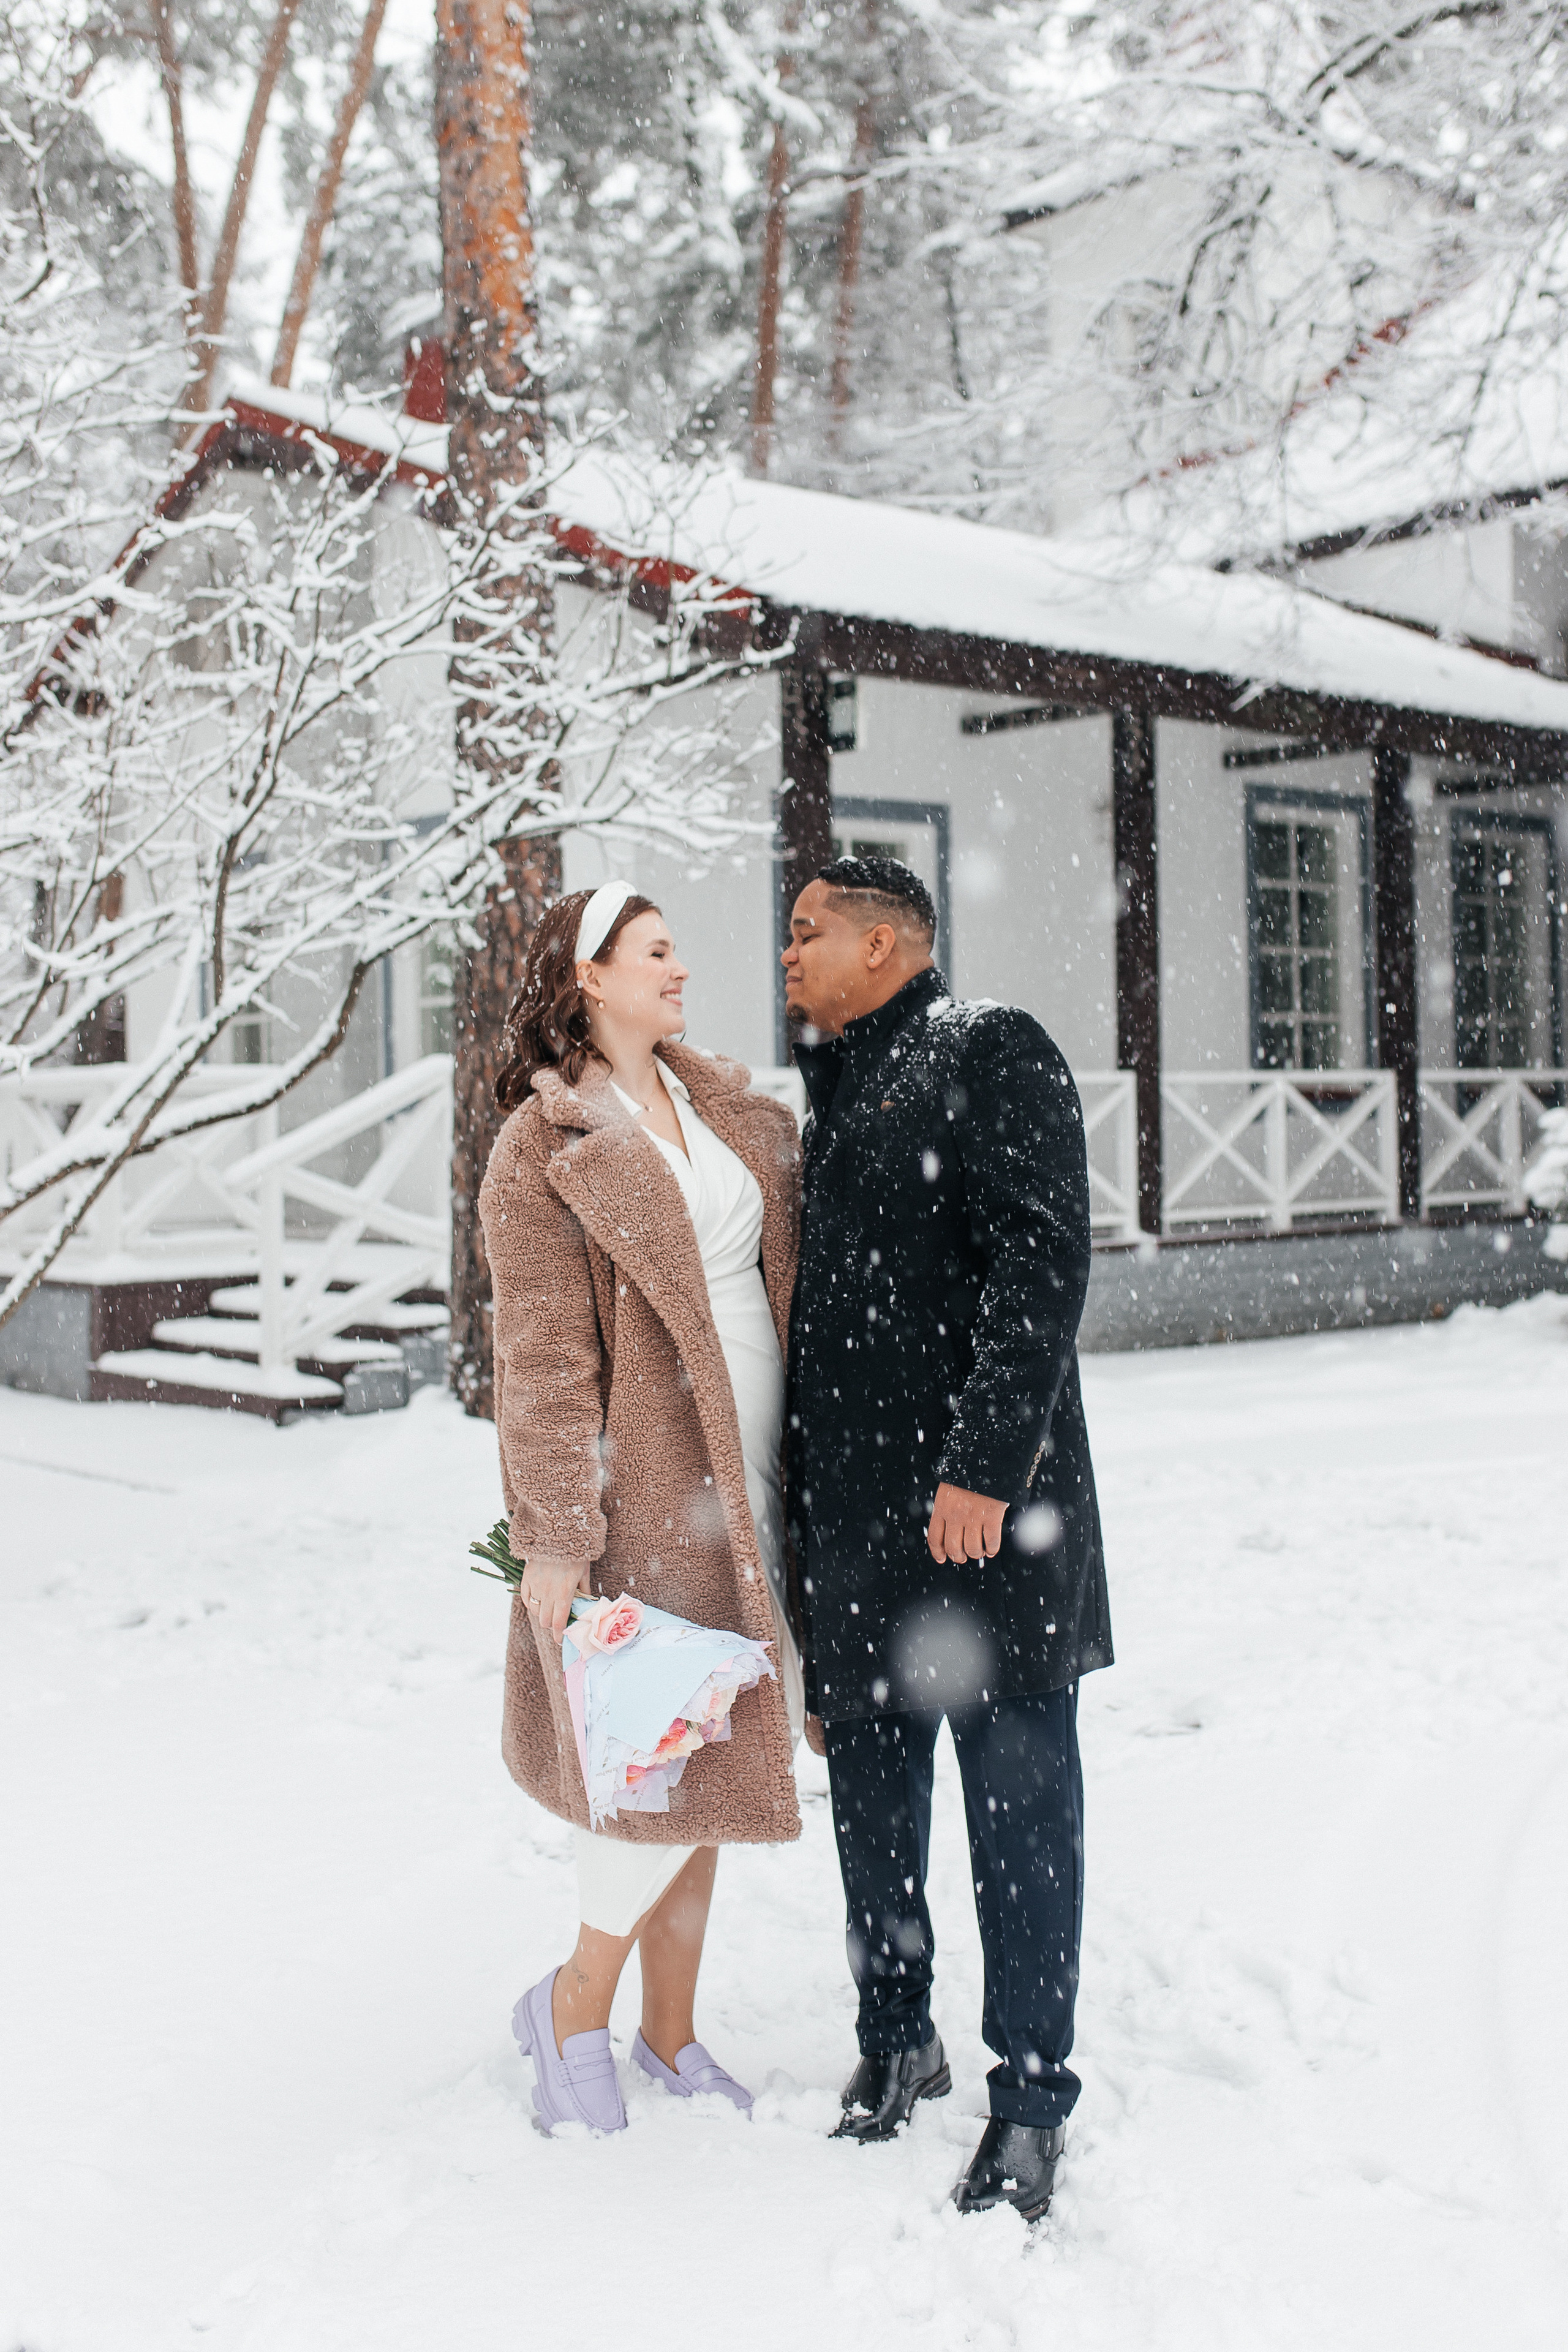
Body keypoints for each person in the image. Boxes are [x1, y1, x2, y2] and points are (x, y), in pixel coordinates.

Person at [782, 854, 1112, 2221]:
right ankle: (895, 2034)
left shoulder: (991, 1049)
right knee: (870, 1811)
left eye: (808, 931)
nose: (787, 951)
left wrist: (984, 1467)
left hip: (982, 1528)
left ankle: (1028, 2096)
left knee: (1016, 1814)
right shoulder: (830, 1089)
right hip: (855, 1538)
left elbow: (1041, 1262)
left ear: (885, 943)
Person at [479, 880, 804, 2135]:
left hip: (766, 1461)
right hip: (656, 1487)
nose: (681, 972)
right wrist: (555, 1531)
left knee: (715, 1750)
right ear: (589, 977)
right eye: (655, 954)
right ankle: (571, 2011)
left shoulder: (721, 1106)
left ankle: (668, 2031)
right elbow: (546, 1361)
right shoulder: (543, 1145)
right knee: (651, 1758)